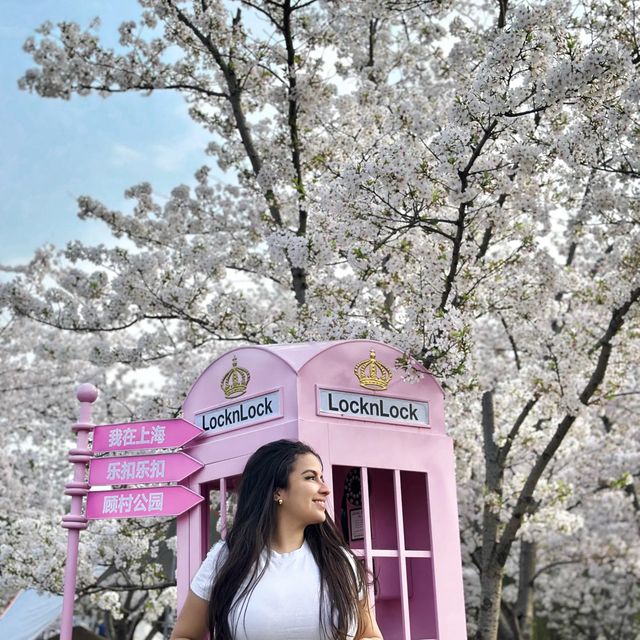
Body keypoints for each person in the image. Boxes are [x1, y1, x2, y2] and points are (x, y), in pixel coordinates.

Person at [171, 439, 383, 640]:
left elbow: (370, 634)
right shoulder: (226, 559)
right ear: (277, 491)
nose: (325, 488)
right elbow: (184, 635)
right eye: (310, 477)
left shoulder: (340, 562)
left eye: (322, 477)